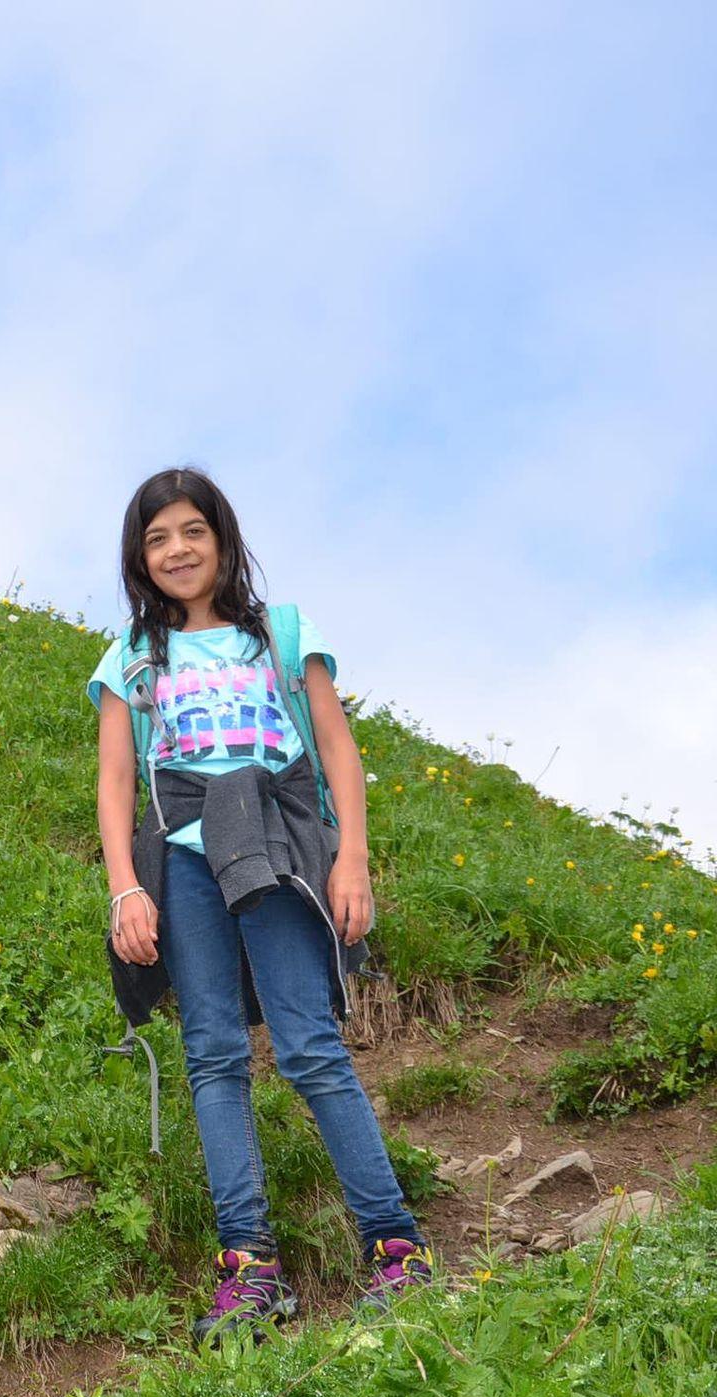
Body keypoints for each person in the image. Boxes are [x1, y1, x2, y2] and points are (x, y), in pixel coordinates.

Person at [87, 466, 434, 1345]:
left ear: (222, 539)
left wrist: (352, 859)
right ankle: (249, 1268)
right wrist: (125, 886)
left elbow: (337, 748)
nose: (176, 550)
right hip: (184, 857)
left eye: (191, 531)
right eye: (157, 538)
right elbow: (116, 779)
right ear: (138, 556)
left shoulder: (281, 633)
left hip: (278, 846)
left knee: (310, 1044)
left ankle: (397, 1248)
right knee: (212, 1054)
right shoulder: (130, 655)